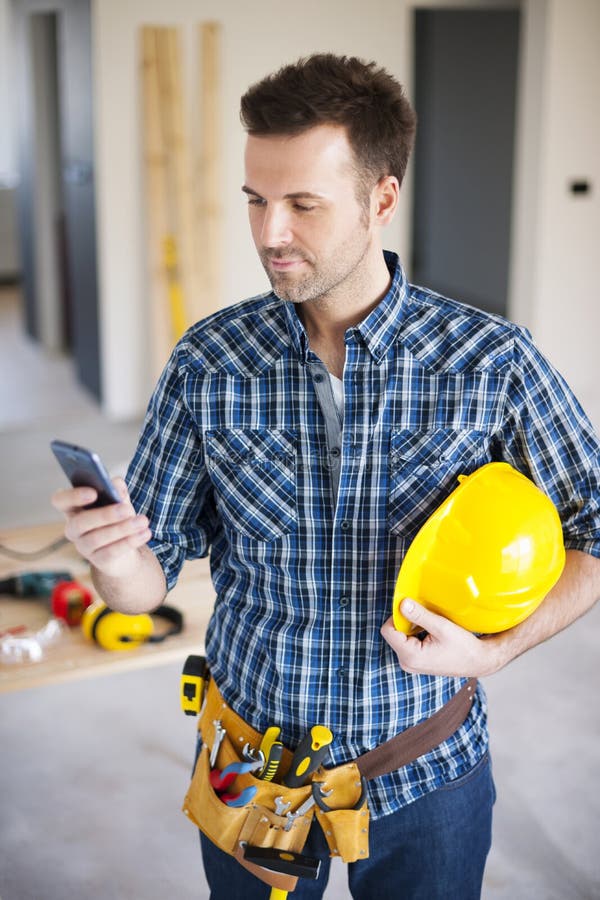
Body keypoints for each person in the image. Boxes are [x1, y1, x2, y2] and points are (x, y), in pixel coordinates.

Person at [52, 54, 600, 899]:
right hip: (248, 768)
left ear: (382, 198)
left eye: (304, 204)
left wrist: (497, 651)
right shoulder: (210, 361)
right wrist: (114, 556)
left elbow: (592, 526)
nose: (270, 233)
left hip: (427, 767)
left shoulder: (493, 363)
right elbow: (138, 588)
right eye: (256, 200)